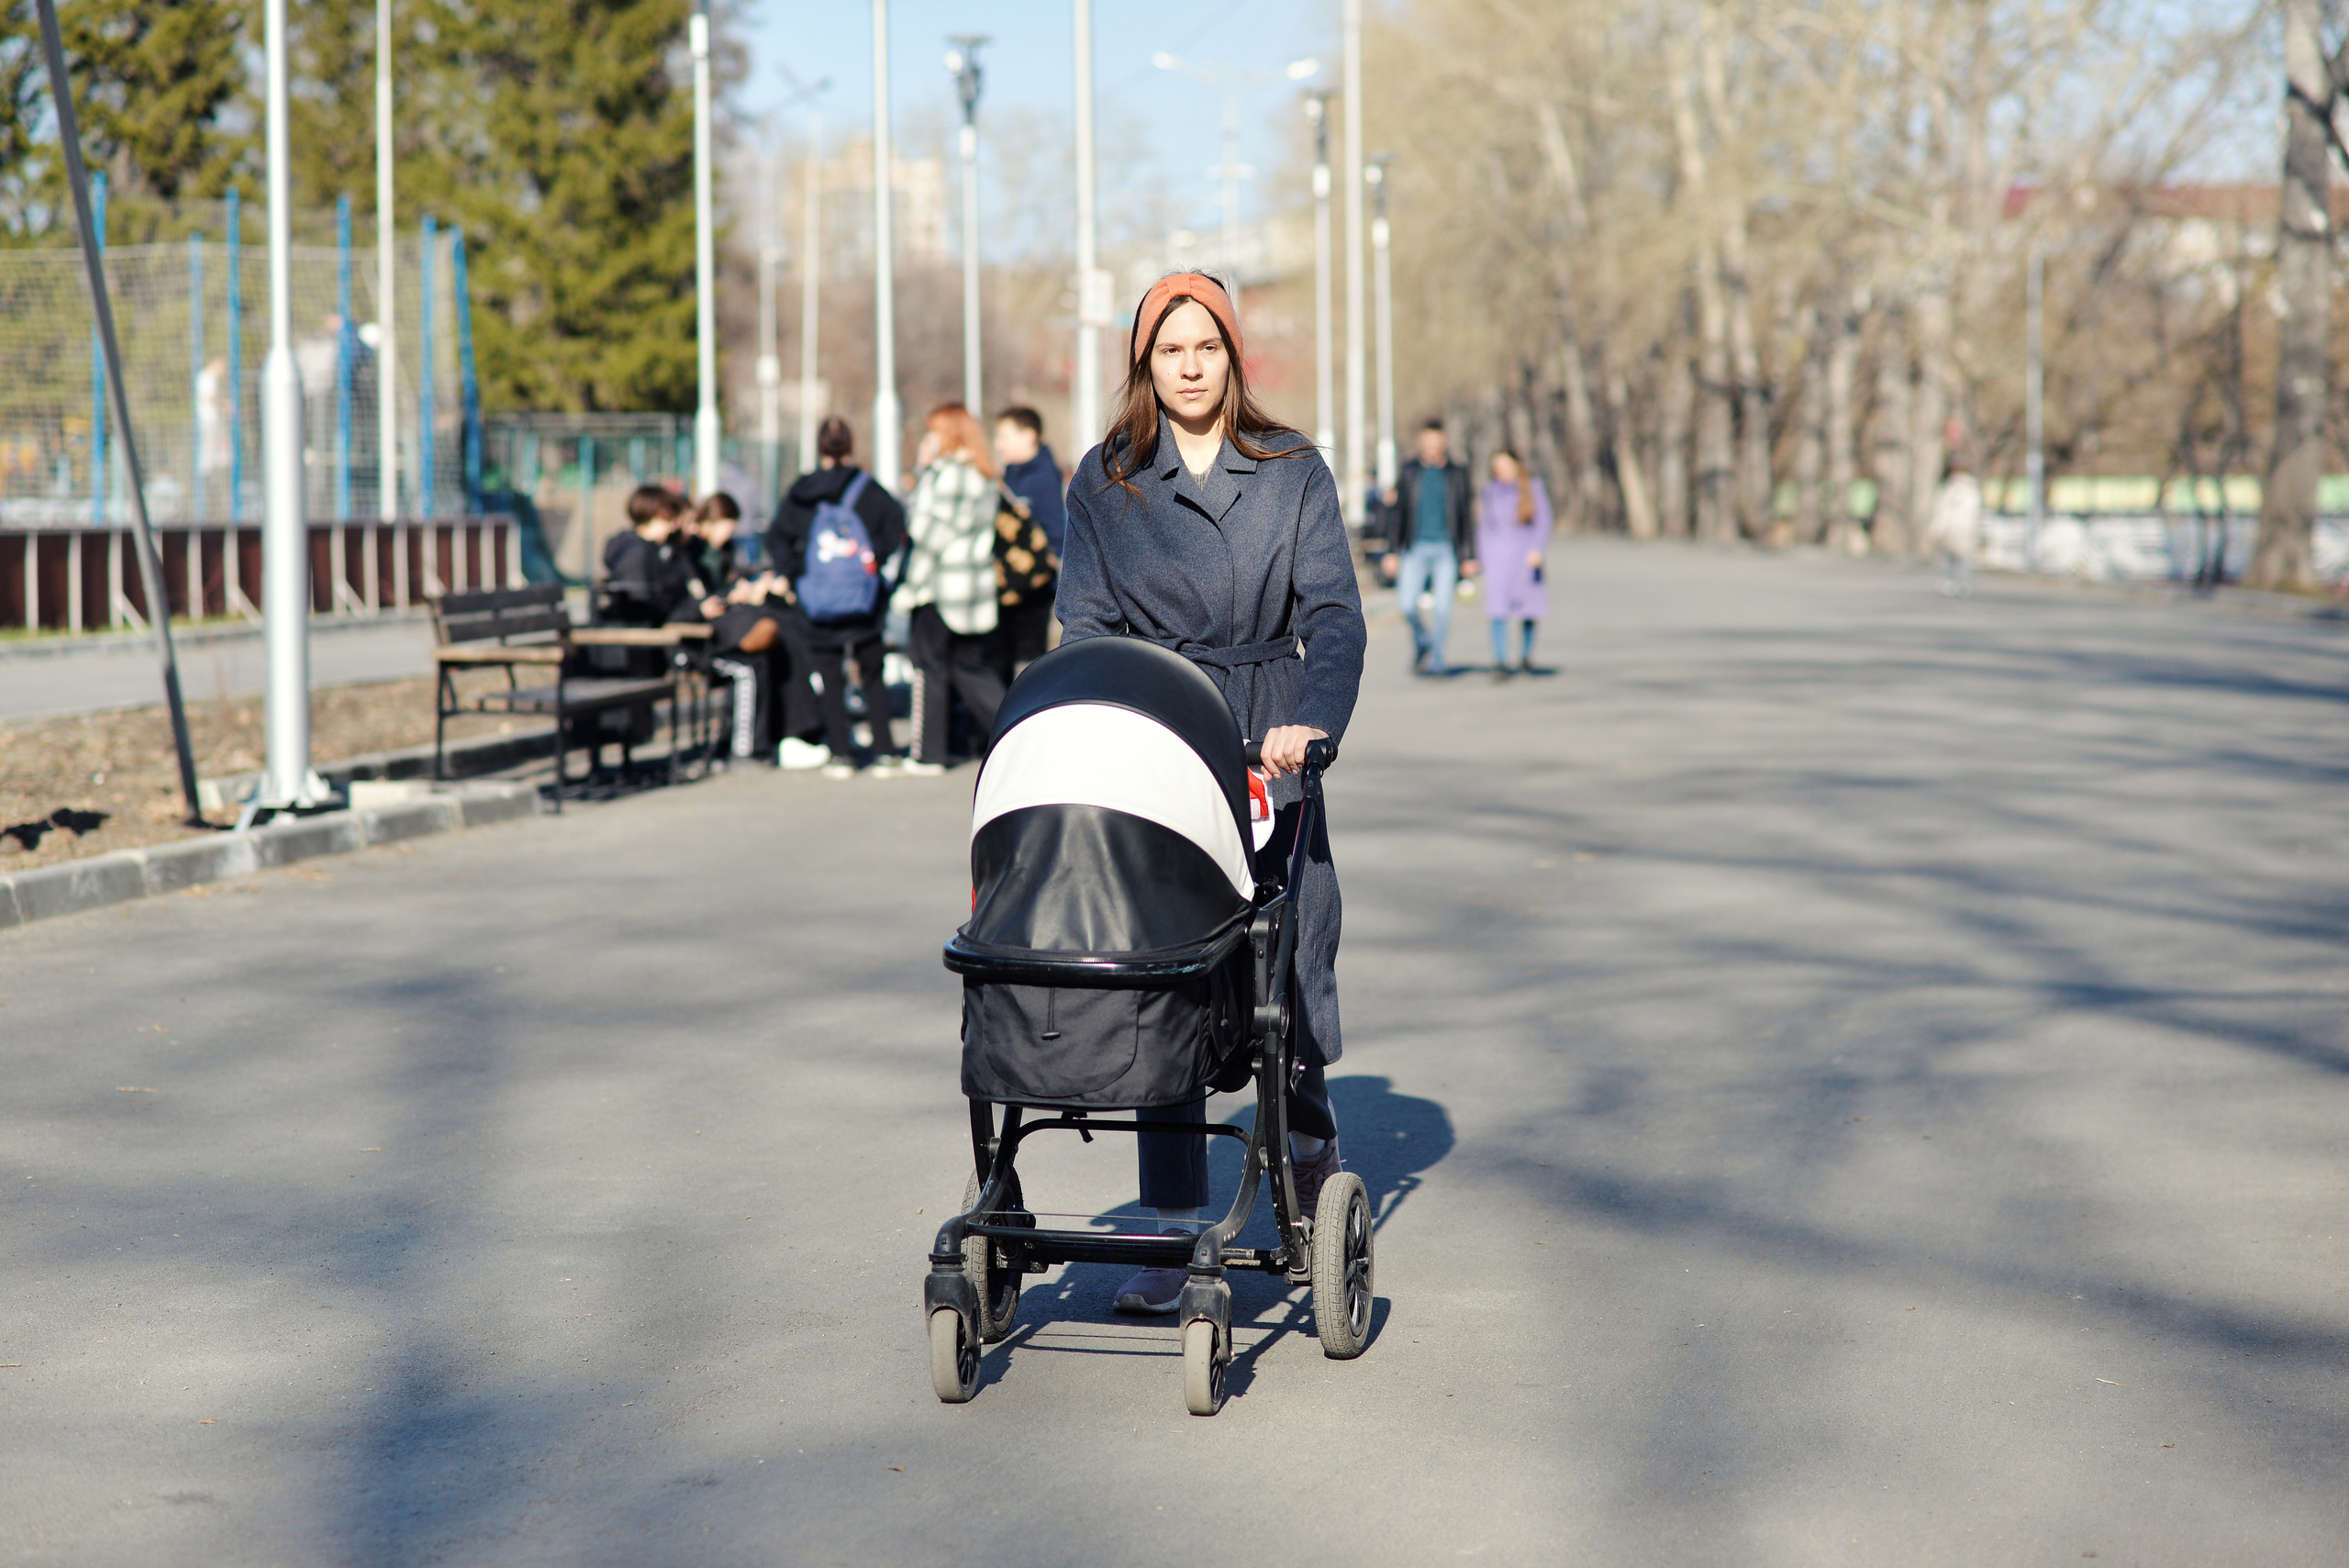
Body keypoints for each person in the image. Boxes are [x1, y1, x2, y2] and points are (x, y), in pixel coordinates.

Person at [1058, 271, 1367, 1315]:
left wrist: (1311, 718)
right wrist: (1109, 725)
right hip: (1158, 736)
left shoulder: (1290, 471)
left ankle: (1310, 1148)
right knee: (1165, 970)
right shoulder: (1106, 482)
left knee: (1290, 949)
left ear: (1234, 356)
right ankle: (1169, 1214)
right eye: (1169, 351)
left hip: (1271, 734)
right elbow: (1087, 626)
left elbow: (1333, 612)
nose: (1190, 367)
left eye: (1208, 347)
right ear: (1144, 365)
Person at [769, 417, 908, 774]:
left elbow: (777, 537)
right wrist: (871, 560)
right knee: (873, 674)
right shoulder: (869, 489)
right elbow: (895, 528)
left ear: (818, 447)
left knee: (831, 678)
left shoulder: (801, 491)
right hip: (864, 601)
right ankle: (885, 750)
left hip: (816, 601)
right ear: (850, 446)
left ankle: (842, 753)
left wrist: (796, 574)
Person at [897, 403, 1008, 775]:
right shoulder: (981, 474)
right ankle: (1019, 732)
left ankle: (929, 753)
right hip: (972, 588)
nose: (928, 438)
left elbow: (929, 539)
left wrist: (909, 589)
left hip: (940, 588)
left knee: (928, 667)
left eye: (933, 431)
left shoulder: (949, 476)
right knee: (970, 670)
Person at [682, 494, 803, 764]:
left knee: (770, 648)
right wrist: (729, 596)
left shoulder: (721, 551)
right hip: (704, 639)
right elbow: (695, 599)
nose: (731, 532)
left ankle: (781, 736)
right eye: (727, 524)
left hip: (724, 626)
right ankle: (745, 749)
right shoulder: (691, 552)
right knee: (750, 666)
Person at [1377, 419, 1477, 674]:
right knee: (1407, 604)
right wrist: (1391, 551)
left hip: (1446, 549)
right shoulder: (1410, 472)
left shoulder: (1457, 473)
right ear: (1421, 443)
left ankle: (1438, 659)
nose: (1432, 448)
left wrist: (1469, 556)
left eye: (1437, 443)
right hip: (1415, 548)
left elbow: (1466, 516)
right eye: (1428, 443)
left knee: (1443, 608)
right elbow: (1397, 515)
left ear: (1443, 442)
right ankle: (1424, 642)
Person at [993, 406, 1065, 673]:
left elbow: (1055, 536)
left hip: (1032, 587)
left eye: (1004, 436)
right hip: (1007, 583)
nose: (998, 444)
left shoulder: (1042, 477)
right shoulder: (1010, 474)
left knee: (1028, 660)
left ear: (1029, 436)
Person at [1477, 449, 1553, 678]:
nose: (1502, 472)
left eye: (1506, 466)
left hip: (1525, 554)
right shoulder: (1490, 491)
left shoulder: (1532, 487)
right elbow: (1485, 526)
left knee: (1528, 608)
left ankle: (1527, 656)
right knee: (1497, 609)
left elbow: (1545, 520)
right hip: (1499, 555)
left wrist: (1537, 549)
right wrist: (1483, 557)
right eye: (1497, 468)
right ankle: (1500, 660)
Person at [1926, 462, 1982, 598]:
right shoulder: (1972, 491)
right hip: (1965, 530)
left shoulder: (1950, 490)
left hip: (1951, 529)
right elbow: (1976, 514)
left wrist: (1936, 528)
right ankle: (1963, 583)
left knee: (1949, 558)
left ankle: (1948, 582)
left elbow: (1942, 512)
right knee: (1963, 559)